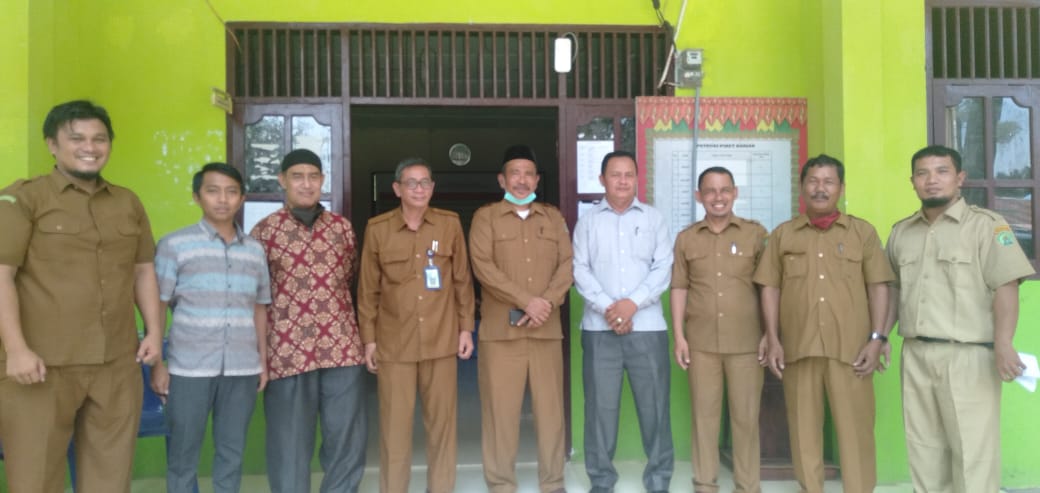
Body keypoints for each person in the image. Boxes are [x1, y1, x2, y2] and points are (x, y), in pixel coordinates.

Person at [0, 100, 164, 493]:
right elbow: (2, 275)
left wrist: (155, 332)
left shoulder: (127, 202)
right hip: (42, 365)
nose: (89, 147)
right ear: (52, 145)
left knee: (110, 479)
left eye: (99, 138)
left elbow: (143, 270)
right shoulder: (24, 200)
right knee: (35, 479)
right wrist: (16, 349)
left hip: (117, 364)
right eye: (76, 138)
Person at [885, 145, 1034, 493]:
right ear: (912, 181)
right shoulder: (901, 232)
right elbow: (892, 290)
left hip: (969, 356)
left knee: (973, 455)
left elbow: (1006, 285)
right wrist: (878, 337)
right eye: (922, 173)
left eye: (942, 171)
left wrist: (1004, 343)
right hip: (916, 354)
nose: (932, 180)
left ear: (960, 178)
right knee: (924, 451)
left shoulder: (987, 226)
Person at [753, 154, 893, 493]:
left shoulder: (862, 232)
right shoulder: (784, 235)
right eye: (813, 181)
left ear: (840, 188)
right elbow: (769, 287)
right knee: (803, 434)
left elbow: (878, 286)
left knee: (856, 431)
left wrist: (877, 338)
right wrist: (772, 337)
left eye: (828, 182)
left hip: (853, 351)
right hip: (798, 349)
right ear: (802, 187)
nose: (820, 188)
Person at [250, 149, 367, 493]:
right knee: (288, 443)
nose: (306, 183)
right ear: (282, 180)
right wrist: (260, 355)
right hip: (287, 353)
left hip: (342, 349)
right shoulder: (264, 232)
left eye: (313, 176)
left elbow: (349, 279)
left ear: (322, 181)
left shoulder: (342, 229)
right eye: (297, 176)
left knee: (346, 438)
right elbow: (256, 296)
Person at [149, 163, 271, 493]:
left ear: (242, 198)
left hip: (242, 368)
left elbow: (259, 307)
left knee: (232, 453)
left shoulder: (255, 251)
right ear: (197, 197)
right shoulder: (174, 245)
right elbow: (158, 304)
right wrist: (158, 363)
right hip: (188, 368)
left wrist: (262, 360)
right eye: (213, 191)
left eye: (231, 192)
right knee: (182, 454)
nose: (223, 199)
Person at [358, 157, 476, 493]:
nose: (419, 189)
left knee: (442, 426)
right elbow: (368, 290)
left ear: (432, 188)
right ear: (397, 189)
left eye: (425, 182)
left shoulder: (449, 224)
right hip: (394, 344)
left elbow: (462, 281)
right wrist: (369, 340)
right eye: (411, 183)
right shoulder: (378, 229)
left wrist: (465, 328)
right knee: (394, 428)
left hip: (441, 341)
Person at [469, 145, 573, 493]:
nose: (522, 180)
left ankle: (553, 482)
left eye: (528, 174)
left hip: (546, 331)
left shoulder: (552, 218)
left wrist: (547, 302)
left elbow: (567, 264)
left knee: (551, 413)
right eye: (515, 173)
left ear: (537, 180)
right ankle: (501, 483)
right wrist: (528, 301)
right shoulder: (486, 218)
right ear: (502, 179)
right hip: (502, 335)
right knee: (501, 413)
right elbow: (483, 267)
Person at [573, 150, 674, 493]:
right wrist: (610, 308)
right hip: (599, 331)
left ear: (637, 179)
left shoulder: (654, 219)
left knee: (655, 408)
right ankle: (602, 481)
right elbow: (579, 269)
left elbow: (663, 267)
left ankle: (658, 478)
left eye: (629, 174)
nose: (622, 181)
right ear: (602, 179)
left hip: (647, 328)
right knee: (599, 411)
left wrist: (631, 305)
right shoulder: (587, 222)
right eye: (615, 174)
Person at [670, 166, 767, 493]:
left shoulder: (755, 235)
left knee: (746, 419)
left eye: (725, 190)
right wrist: (679, 337)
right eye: (710, 191)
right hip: (701, 344)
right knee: (704, 418)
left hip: (747, 343)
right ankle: (705, 483)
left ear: (735, 193)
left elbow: (768, 289)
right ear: (699, 196)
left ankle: (747, 485)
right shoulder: (687, 238)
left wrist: (769, 334)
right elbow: (679, 287)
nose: (718, 197)